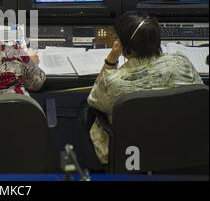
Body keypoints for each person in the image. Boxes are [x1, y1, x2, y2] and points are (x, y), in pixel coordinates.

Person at [87, 11, 204, 165]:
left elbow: (93, 99)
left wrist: (111, 58)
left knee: (89, 112)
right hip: (183, 149)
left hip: (133, 157)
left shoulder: (112, 81)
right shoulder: (182, 63)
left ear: (125, 47)